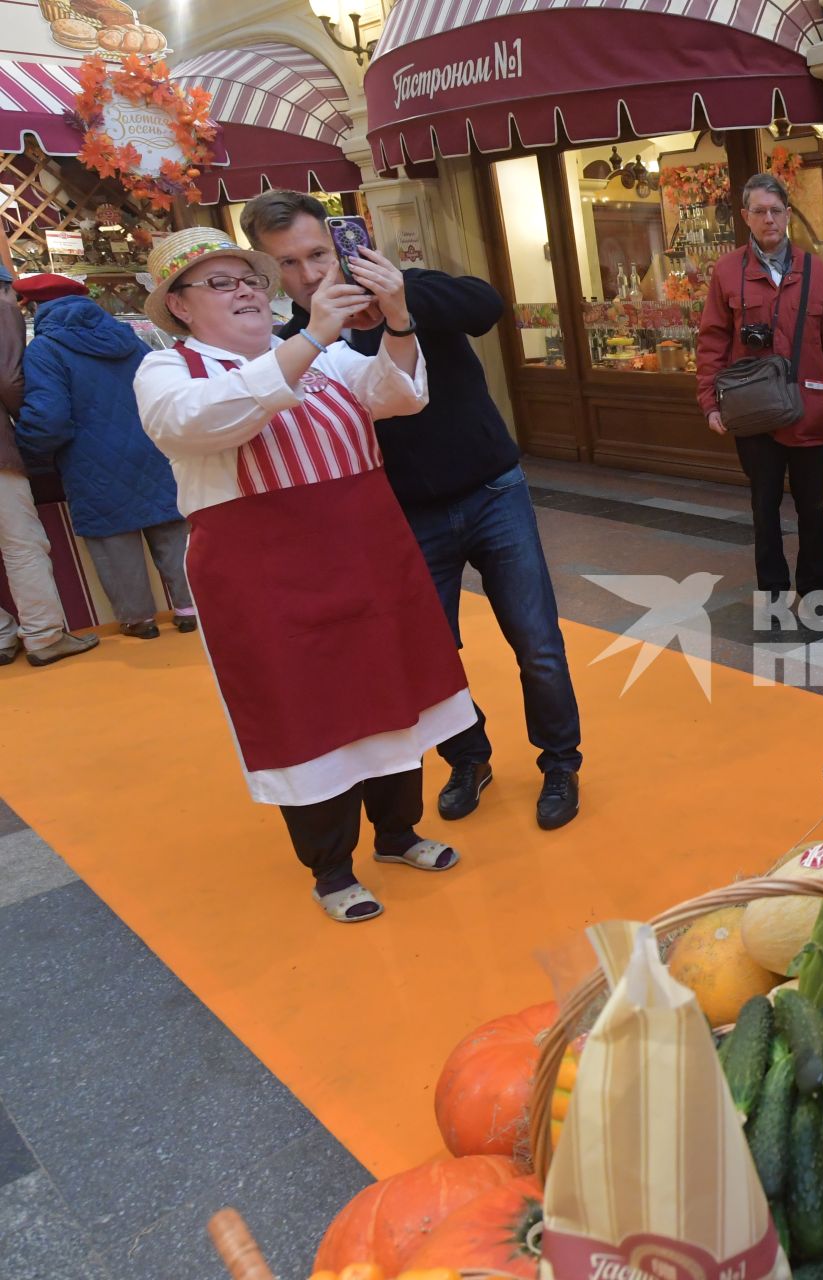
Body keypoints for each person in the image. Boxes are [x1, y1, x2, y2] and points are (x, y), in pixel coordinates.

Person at [133, 227, 473, 924]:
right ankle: (332, 869)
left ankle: (397, 833)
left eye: (251, 280)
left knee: (389, 693)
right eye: (221, 283)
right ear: (180, 307)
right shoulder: (167, 374)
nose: (247, 292)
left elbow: (399, 395)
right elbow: (207, 421)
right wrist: (313, 335)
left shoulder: (328, 360)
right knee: (304, 714)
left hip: (367, 558)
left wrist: (400, 319)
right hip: (268, 580)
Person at [243, 190, 585, 830]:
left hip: (492, 490)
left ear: (343, 242)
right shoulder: (290, 344)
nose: (310, 274)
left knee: (537, 641)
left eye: (317, 253)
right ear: (270, 272)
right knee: (435, 654)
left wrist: (401, 300)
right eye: (287, 264)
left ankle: (561, 763)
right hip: (403, 514)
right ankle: (469, 757)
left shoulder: (408, 288)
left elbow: (487, 306)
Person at [697, 172, 823, 633]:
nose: (769, 219)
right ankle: (772, 588)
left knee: (811, 506)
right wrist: (710, 402)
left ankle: (814, 585)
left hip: (809, 411)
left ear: (788, 215)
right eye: (760, 211)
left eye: (777, 210)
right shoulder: (727, 272)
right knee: (763, 506)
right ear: (745, 216)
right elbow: (711, 341)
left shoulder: (816, 271)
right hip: (753, 413)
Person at [15, 276, 195, 640]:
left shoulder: (45, 349)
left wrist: (31, 456)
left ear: (36, 307)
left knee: (113, 538)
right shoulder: (129, 339)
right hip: (152, 450)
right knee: (171, 528)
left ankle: (138, 619)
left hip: (91, 461)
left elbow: (48, 419)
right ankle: (191, 607)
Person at [0, 260, 97, 667]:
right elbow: (8, 378)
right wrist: (29, 425)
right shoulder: (1, 307)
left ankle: (3, 634)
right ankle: (43, 636)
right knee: (21, 544)